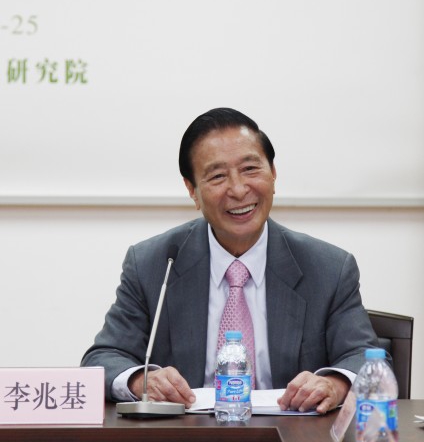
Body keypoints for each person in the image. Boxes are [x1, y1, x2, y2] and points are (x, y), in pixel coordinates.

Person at [81, 107, 377, 414]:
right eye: (218, 176)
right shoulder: (153, 264)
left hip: (288, 433)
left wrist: (334, 383)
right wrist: (140, 381)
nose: (238, 189)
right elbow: (103, 358)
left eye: (250, 169)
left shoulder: (328, 268)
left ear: (273, 174)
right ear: (192, 191)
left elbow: (365, 357)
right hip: (186, 433)